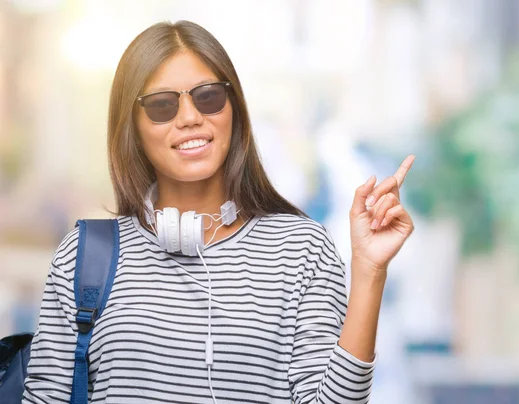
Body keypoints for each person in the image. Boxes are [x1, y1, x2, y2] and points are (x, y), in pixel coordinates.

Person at [22, 20, 415, 403]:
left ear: (233, 109)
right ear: (133, 128)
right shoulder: (86, 254)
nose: (190, 117)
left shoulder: (301, 250)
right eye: (162, 105)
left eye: (208, 96)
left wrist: (369, 270)